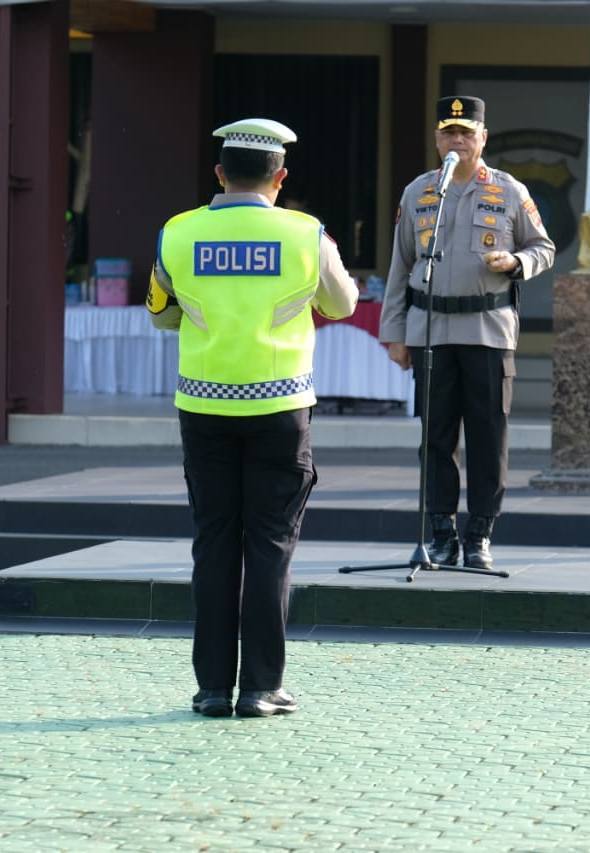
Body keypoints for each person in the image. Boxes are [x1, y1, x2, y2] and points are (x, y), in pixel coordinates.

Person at [148, 118, 358, 718]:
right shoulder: (306, 234)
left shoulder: (177, 232)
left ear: (219, 174)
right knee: (270, 546)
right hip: (280, 407)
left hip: (204, 406)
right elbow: (343, 304)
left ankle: (213, 688)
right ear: (280, 177)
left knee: (214, 543)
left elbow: (160, 313)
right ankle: (262, 687)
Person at [378, 95, 556, 570]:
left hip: (487, 332)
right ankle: (441, 533)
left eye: (466, 132)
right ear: (437, 139)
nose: (457, 140)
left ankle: (479, 534)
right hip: (430, 331)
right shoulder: (419, 192)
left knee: (487, 436)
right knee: (436, 438)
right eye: (448, 132)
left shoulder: (509, 190)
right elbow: (400, 265)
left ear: (483, 138)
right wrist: (395, 331)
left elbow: (543, 247)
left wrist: (516, 261)